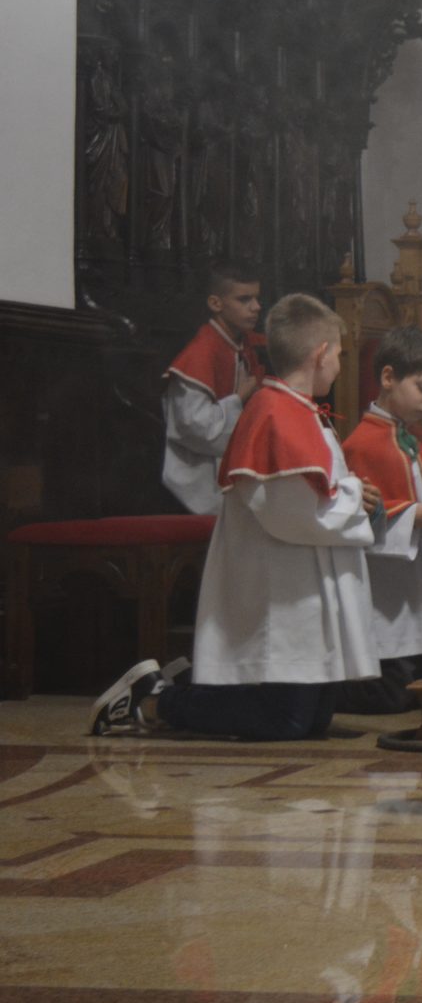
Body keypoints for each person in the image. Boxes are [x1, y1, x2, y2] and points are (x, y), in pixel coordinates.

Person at [91, 294, 381, 740]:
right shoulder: (276, 414)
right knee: (285, 721)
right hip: (283, 589)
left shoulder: (299, 411)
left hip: (304, 586)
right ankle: (153, 699)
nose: (341, 366)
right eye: (340, 355)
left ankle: (171, 692)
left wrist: (351, 494)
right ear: (320, 354)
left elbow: (315, 492)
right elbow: (292, 514)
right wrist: (354, 497)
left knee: (313, 719)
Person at [338, 326, 422, 715]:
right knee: (392, 696)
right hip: (388, 583)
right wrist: (410, 515)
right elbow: (351, 518)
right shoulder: (361, 444)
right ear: (388, 377)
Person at [161, 260, 267, 514]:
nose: (256, 307)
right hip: (199, 478)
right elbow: (195, 429)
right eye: (244, 299)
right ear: (216, 303)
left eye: (256, 298)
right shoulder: (200, 354)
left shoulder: (245, 344)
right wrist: (238, 399)